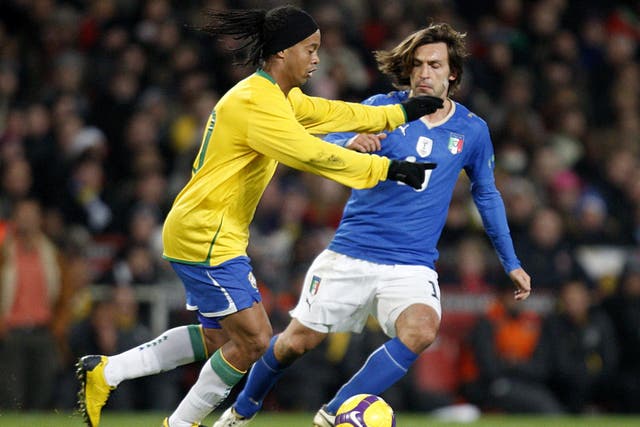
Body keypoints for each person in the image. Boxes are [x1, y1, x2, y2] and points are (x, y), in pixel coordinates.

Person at [75, 5, 444, 427]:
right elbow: (310, 154)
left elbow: (333, 114)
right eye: (310, 49)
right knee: (254, 339)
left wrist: (399, 114)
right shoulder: (256, 103)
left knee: (220, 338)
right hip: (206, 233)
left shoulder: (277, 95)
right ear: (283, 53)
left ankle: (108, 371)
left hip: (211, 230)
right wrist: (387, 169)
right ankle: (181, 424)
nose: (316, 58)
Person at [214, 22, 531, 427]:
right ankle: (241, 412)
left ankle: (333, 414)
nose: (424, 73)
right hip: (351, 253)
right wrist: (347, 142)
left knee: (421, 329)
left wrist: (511, 262)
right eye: (417, 64)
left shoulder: (472, 130)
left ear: (453, 73)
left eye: (434, 65)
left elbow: (486, 195)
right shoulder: (382, 108)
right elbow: (315, 144)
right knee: (296, 342)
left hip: (411, 263)